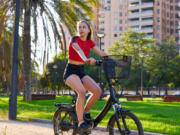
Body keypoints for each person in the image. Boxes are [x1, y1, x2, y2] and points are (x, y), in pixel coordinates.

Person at [63, 20, 108, 132]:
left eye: (84, 27)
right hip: (71, 71)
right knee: (82, 91)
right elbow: (78, 49)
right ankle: (81, 122)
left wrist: (118, 61)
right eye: (79, 27)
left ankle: (84, 112)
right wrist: (86, 59)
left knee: (97, 91)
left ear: (88, 30)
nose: (81, 29)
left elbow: (102, 53)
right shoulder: (74, 39)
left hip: (81, 71)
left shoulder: (90, 42)